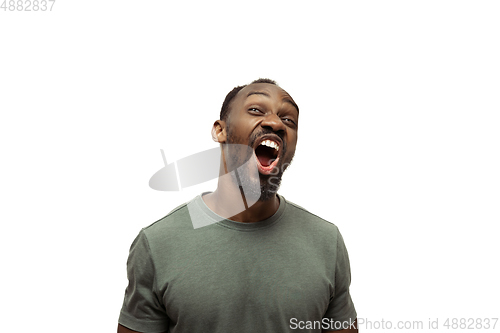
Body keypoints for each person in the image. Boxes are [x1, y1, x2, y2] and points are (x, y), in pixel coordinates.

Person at [117, 79, 358, 333]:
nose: (275, 123)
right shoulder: (157, 244)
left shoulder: (326, 242)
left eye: (288, 120)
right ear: (220, 131)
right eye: (256, 110)